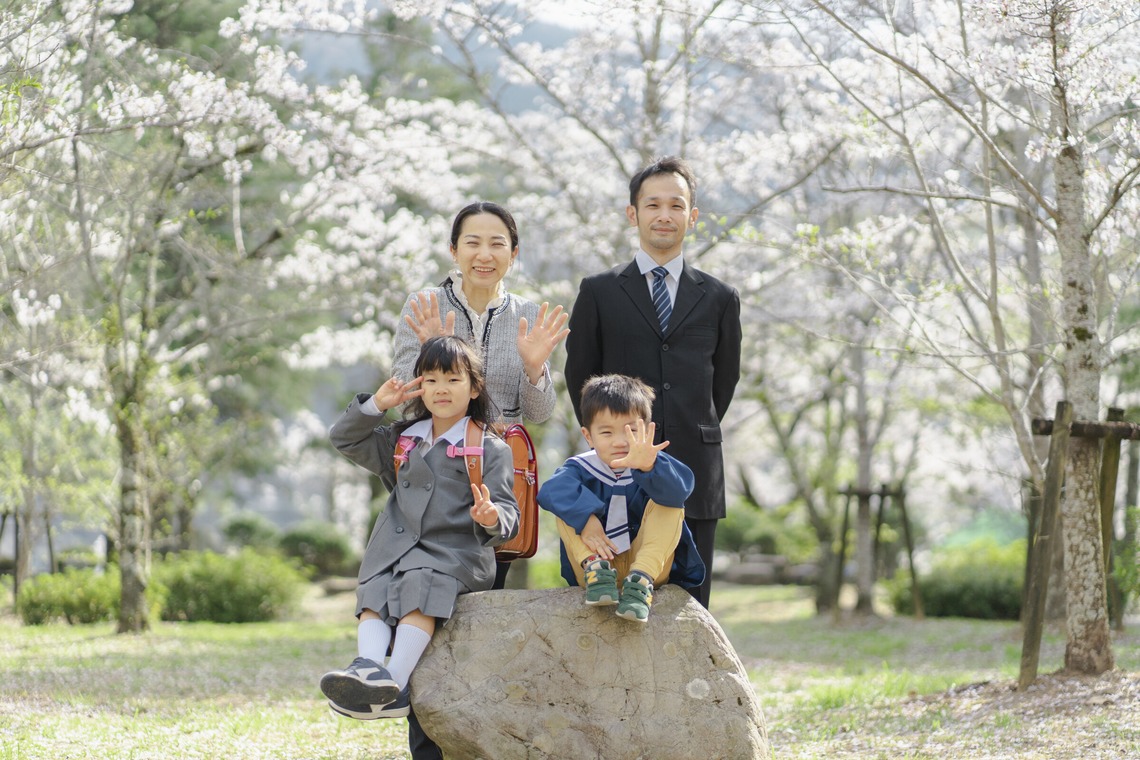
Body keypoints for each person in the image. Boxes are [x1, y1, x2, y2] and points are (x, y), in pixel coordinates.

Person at [392, 201, 568, 758]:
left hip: (496, 485)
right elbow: (404, 398)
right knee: (424, 613)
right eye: (473, 241)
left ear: (513, 255)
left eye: (498, 243)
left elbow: (539, 413)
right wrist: (426, 356)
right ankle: (428, 748)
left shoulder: (527, 315)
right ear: (453, 250)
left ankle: (474, 741)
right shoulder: (423, 306)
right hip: (433, 487)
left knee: (481, 618)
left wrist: (536, 367)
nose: (484, 253)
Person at [565, 157, 742, 609]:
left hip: (694, 470)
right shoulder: (599, 292)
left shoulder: (720, 298)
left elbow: (723, 381)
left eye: (676, 205)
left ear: (692, 216)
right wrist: (612, 442)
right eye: (653, 205)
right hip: (614, 472)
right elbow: (580, 377)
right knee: (610, 592)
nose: (665, 215)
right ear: (633, 214)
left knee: (691, 603)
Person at [320, 336, 519, 721]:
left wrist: (491, 516)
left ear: (475, 387)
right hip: (394, 549)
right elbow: (343, 438)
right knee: (376, 584)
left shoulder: (489, 448)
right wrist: (378, 405)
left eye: (452, 379)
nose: (440, 389)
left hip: (455, 554)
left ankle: (393, 684)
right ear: (419, 387)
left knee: (418, 581)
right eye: (429, 380)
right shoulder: (401, 439)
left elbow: (508, 513)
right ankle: (367, 670)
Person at [537, 374, 704, 622]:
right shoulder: (581, 468)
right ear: (588, 436)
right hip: (592, 567)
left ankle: (640, 583)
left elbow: (681, 491)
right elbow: (550, 491)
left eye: (630, 431)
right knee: (566, 508)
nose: (620, 442)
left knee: (670, 503)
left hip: (648, 565)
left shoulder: (653, 465)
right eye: (606, 432)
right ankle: (596, 570)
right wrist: (586, 519)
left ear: (647, 431)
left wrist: (649, 469)